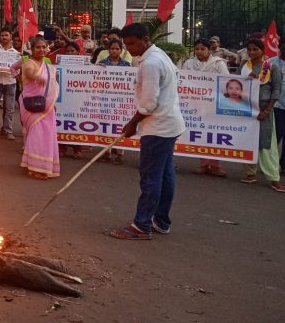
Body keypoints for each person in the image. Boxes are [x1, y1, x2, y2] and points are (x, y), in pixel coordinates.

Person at [109, 23, 185, 240]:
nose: (129, 48)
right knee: (165, 174)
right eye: (126, 44)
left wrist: (132, 123)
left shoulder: (151, 63)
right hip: (168, 123)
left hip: (159, 127)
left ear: (145, 39)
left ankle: (142, 226)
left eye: (132, 43)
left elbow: (148, 103)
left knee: (151, 176)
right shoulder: (158, 55)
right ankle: (161, 221)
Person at [239, 38, 284, 192]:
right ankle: (250, 174)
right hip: (247, 109)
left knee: (267, 144)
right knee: (248, 141)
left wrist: (267, 110)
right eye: (249, 49)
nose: (251, 52)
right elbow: (236, 85)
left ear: (263, 50)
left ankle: (274, 178)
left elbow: (276, 91)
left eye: (255, 49)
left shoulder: (272, 67)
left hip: (265, 110)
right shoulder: (244, 66)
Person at [183, 38, 229, 177]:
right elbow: (184, 80)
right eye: (197, 49)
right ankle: (203, 164)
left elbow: (225, 81)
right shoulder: (189, 63)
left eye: (202, 49)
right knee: (201, 132)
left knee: (214, 133)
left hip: (214, 103)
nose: (199, 51)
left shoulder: (218, 63)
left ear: (210, 50)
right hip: (196, 103)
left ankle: (215, 166)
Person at [19, 36, 60, 179]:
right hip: (31, 106)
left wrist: (52, 105)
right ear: (32, 49)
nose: (41, 50)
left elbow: (53, 88)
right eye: (38, 47)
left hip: (47, 107)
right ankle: (34, 167)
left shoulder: (49, 67)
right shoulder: (28, 63)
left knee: (47, 136)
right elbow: (30, 73)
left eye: (44, 47)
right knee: (36, 136)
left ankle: (43, 166)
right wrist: (37, 77)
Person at [269, 41, 285, 175]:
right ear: (280, 48)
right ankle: (270, 165)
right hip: (276, 106)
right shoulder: (270, 63)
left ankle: (284, 166)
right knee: (274, 138)